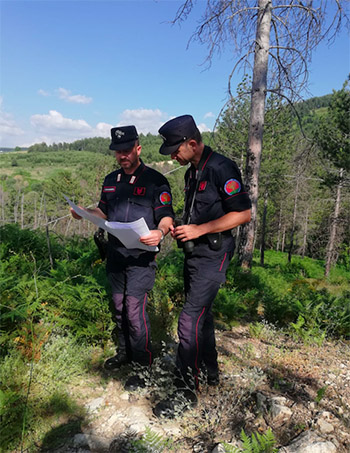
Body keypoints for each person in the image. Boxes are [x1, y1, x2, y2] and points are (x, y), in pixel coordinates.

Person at [154, 115, 251, 417]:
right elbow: (199, 212)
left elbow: (243, 214)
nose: (172, 156)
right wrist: (184, 228)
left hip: (215, 252)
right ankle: (209, 372)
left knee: (188, 319)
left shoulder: (222, 168)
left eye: (175, 150)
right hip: (195, 254)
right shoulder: (191, 172)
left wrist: (200, 229)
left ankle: (186, 391)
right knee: (202, 318)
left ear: (192, 143)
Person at [71, 125, 174, 390]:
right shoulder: (110, 181)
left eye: (127, 150)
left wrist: (160, 232)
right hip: (116, 254)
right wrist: (85, 211)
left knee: (134, 310)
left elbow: (166, 216)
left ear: (138, 148)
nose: (122, 156)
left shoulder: (155, 180)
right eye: (117, 152)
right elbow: (104, 212)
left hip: (141, 258)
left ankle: (143, 366)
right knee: (118, 307)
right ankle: (124, 352)